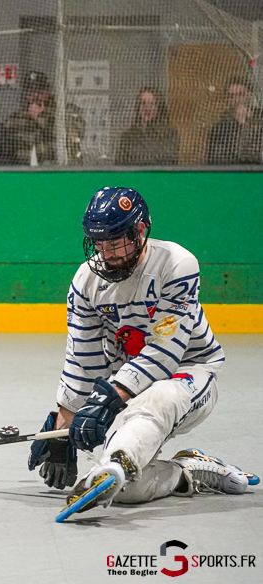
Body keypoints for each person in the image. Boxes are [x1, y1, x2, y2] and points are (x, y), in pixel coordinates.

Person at [27, 187, 258, 522]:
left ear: (140, 231)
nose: (106, 253)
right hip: (125, 390)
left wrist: (109, 399)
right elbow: (83, 361)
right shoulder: (84, 283)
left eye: (115, 241)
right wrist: (64, 425)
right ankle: (186, 471)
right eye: (98, 243)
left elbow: (166, 350)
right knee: (126, 490)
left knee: (160, 398)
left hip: (189, 373)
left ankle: (117, 463)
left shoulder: (176, 264)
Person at [116, 87, 179, 166]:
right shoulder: (128, 137)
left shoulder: (170, 134)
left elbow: (168, 161)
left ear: (159, 107)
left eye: (152, 104)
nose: (147, 108)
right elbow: (120, 165)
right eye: (143, 103)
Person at [207, 78, 263, 165]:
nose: (237, 100)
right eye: (232, 96)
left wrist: (248, 122)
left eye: (241, 94)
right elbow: (216, 158)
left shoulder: (260, 120)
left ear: (250, 95)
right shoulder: (221, 127)